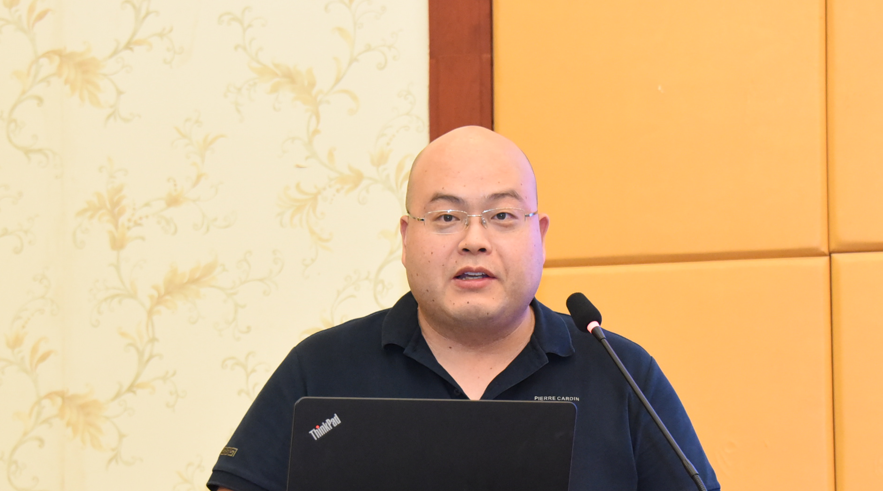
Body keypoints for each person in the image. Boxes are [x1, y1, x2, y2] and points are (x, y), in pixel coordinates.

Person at [207, 126, 720, 491]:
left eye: (502, 215)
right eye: (447, 217)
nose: (475, 240)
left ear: (539, 236)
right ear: (406, 238)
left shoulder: (621, 372)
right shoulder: (321, 368)